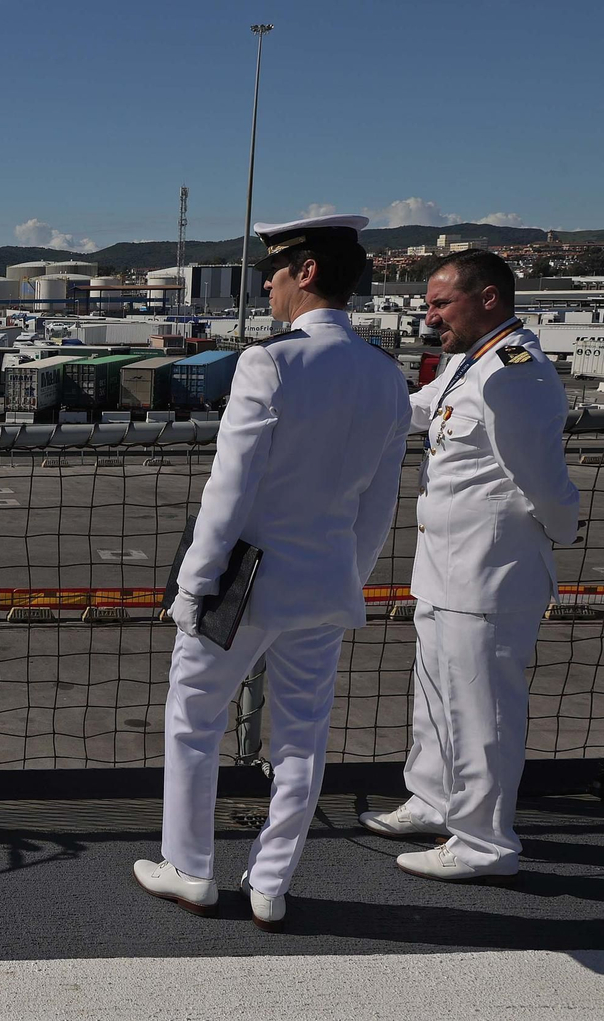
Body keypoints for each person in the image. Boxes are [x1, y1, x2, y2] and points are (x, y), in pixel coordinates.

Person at [134, 213, 412, 931]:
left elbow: (227, 492)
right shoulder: (387, 378)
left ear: (307, 272)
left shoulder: (270, 362)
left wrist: (194, 584)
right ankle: (271, 883)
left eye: (275, 268)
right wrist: (349, 577)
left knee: (194, 719)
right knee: (302, 733)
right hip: (325, 584)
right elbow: (378, 507)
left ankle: (190, 868)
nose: (266, 282)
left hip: (244, 584)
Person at [360, 249, 578, 881]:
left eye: (439, 303)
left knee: (483, 710)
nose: (429, 317)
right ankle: (433, 799)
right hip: (444, 567)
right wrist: (349, 403)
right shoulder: (470, 360)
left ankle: (485, 842)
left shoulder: (515, 372)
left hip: (489, 573)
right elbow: (424, 407)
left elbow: (544, 479)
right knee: (435, 695)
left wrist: (556, 533)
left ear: (488, 299)